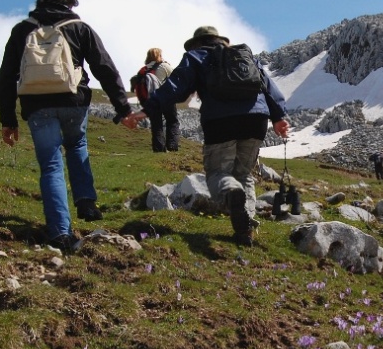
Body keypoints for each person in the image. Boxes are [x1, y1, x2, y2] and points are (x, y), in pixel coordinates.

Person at [0, 0, 135, 252]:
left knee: (50, 165)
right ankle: (86, 203)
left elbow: (6, 77)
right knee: (76, 144)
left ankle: (60, 232)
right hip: (74, 101)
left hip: (37, 104)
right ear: (69, 5)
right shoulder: (79, 27)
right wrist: (122, 108)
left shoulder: (22, 30)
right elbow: (105, 68)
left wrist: (8, 120)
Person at [124, 26, 289, 246]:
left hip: (220, 122)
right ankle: (245, 229)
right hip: (256, 120)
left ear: (196, 43)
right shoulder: (244, 56)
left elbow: (175, 86)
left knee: (218, 173)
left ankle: (231, 193)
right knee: (244, 173)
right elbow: (268, 86)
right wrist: (279, 117)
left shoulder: (196, 56)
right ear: (220, 40)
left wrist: (148, 109)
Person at [136, 48, 179, 152]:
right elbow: (176, 78)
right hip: (166, 98)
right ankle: (172, 146)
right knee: (172, 121)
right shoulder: (164, 66)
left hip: (151, 101)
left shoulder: (144, 70)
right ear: (158, 55)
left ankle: (158, 149)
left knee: (156, 124)